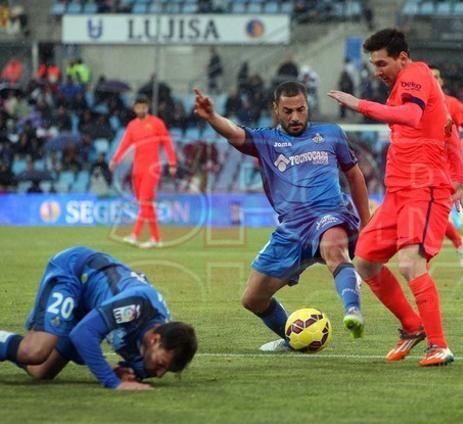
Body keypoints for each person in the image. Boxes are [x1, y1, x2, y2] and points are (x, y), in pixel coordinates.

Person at [193, 81, 371, 351]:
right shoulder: (266, 140)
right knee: (253, 299)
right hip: (291, 229)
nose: (295, 117)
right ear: (275, 109)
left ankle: (353, 312)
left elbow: (355, 176)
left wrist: (367, 223)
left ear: (307, 106)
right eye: (287, 111)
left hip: (329, 213)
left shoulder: (331, 134)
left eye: (300, 109)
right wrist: (212, 117)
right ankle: (294, 339)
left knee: (335, 251)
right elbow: (235, 132)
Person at [328, 28, 463, 367]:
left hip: (424, 189)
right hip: (398, 193)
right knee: (365, 260)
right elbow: (448, 131)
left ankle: (439, 345)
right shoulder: (406, 86)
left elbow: (411, 116)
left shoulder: (415, 74)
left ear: (402, 58)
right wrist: (461, 177)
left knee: (409, 263)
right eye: (373, 64)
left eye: (382, 63)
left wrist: (358, 104)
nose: (377, 71)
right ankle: (411, 326)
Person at [0, 247, 197, 390]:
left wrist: (121, 372)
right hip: (76, 272)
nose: (159, 374)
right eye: (162, 364)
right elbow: (83, 334)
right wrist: (114, 383)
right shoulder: (136, 308)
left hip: (92, 307)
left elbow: (133, 368)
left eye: (166, 370)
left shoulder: (153, 350)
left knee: (41, 371)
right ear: (155, 339)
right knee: (34, 351)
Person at [109, 95, 177, 248]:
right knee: (146, 205)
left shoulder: (157, 123)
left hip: (152, 168)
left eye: (144, 107)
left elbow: (167, 143)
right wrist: (115, 159)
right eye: (138, 107)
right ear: (134, 108)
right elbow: (125, 144)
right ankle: (156, 238)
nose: (141, 109)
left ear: (148, 107)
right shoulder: (132, 125)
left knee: (145, 201)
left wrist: (172, 163)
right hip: (137, 169)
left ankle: (135, 235)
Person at [430, 65, 463, 268]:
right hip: (426, 167)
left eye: (436, 77)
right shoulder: (417, 106)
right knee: (430, 214)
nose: (433, 80)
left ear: (441, 81)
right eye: (429, 77)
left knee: (436, 214)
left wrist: (459, 146)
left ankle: (456, 246)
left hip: (448, 170)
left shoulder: (453, 104)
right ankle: (459, 244)